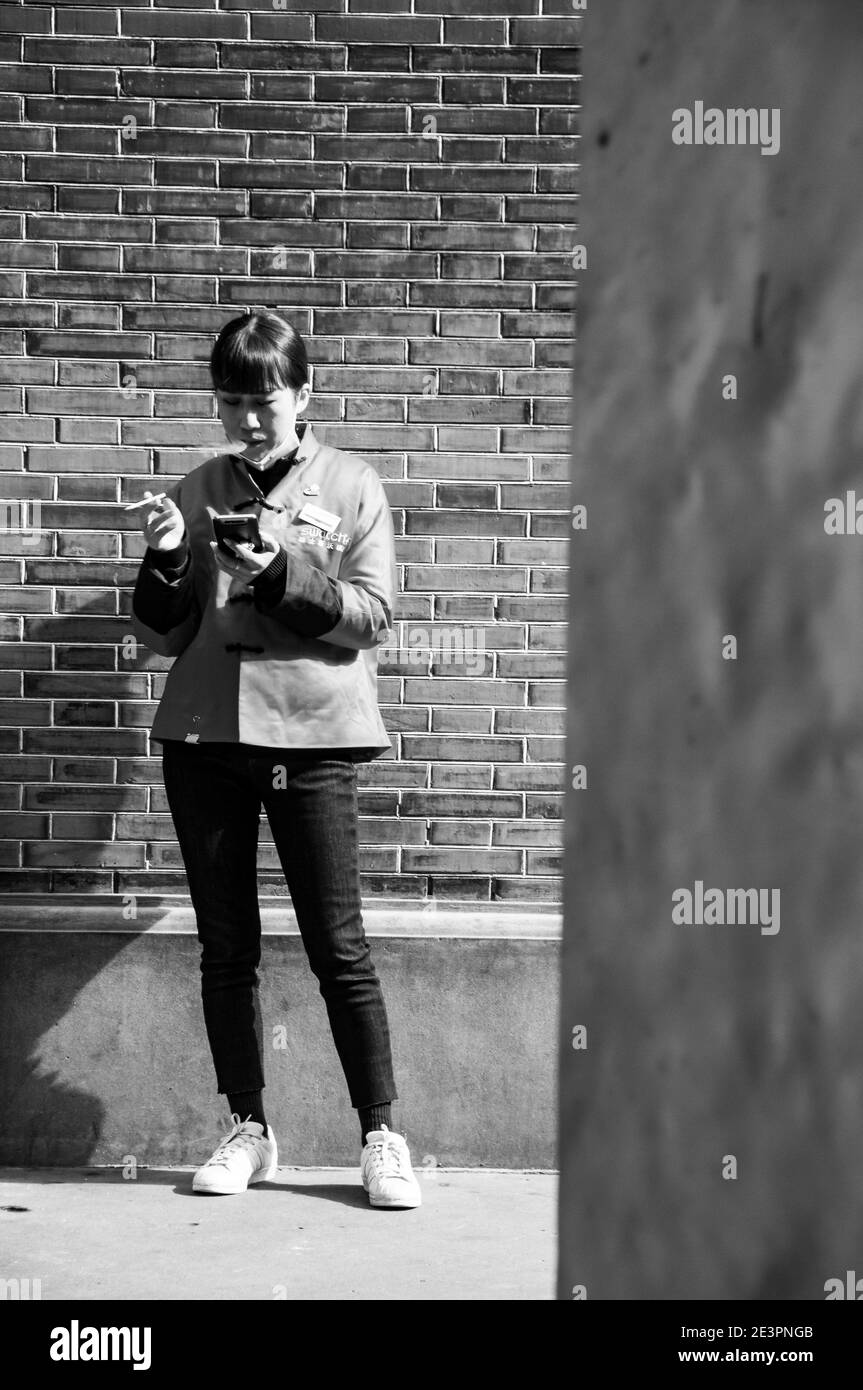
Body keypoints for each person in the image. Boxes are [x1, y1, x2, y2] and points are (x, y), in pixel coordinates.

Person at [129, 309, 421, 1209]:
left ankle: (379, 1133)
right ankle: (249, 1129)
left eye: (265, 402)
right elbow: (160, 631)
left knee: (340, 947)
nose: (248, 421)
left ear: (303, 395)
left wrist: (275, 571)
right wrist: (168, 557)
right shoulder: (196, 483)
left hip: (316, 740)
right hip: (208, 740)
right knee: (226, 946)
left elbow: (370, 616)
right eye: (231, 402)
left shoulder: (353, 483)